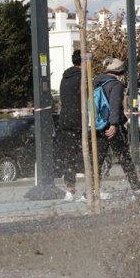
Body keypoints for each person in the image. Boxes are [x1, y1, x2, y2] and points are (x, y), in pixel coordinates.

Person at [94, 58, 140, 198]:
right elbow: (115, 105)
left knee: (97, 160)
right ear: (120, 72)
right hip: (111, 127)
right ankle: (137, 189)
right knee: (125, 158)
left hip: (97, 125)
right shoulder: (116, 85)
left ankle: (90, 191)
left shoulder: (95, 82)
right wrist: (113, 124)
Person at [57, 49, 84, 201]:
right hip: (78, 120)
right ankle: (91, 189)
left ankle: (69, 189)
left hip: (65, 120)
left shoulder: (64, 78)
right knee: (88, 154)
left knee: (69, 155)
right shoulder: (81, 77)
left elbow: (61, 101)